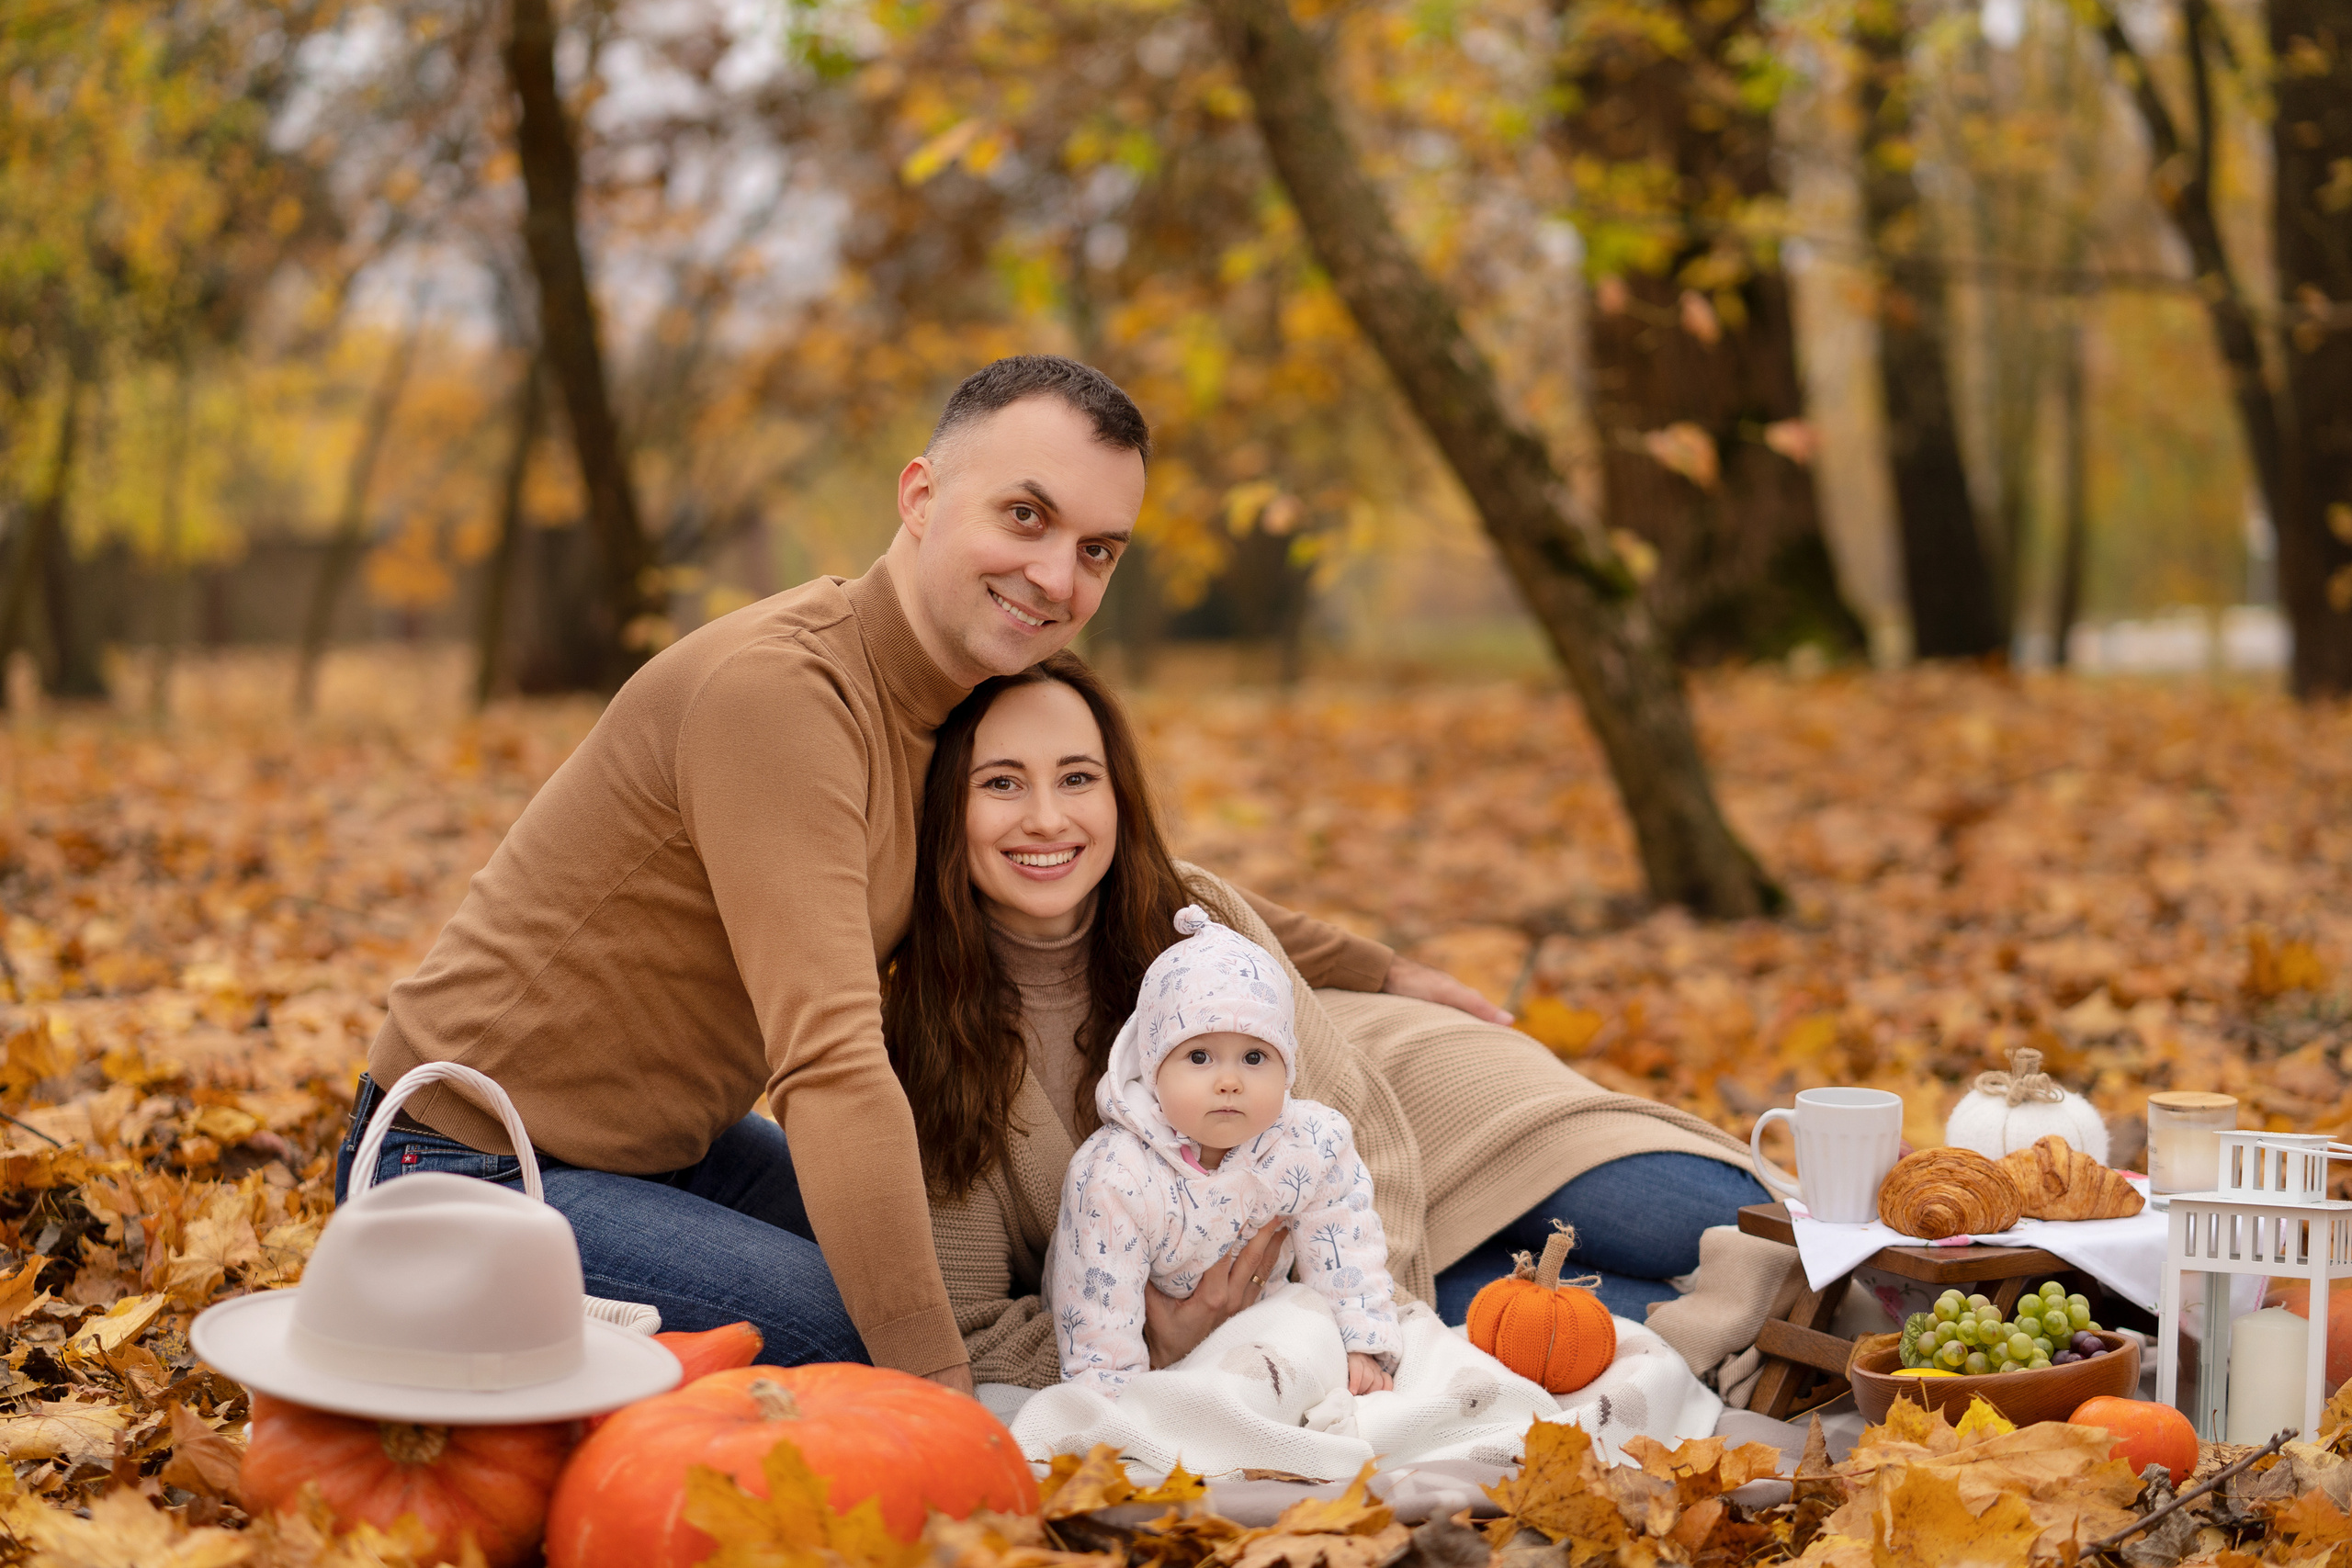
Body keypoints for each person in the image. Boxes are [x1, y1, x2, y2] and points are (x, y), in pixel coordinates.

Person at [334, 355, 1500, 1392]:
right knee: (883, 1330)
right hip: (460, 1171)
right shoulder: (783, 698)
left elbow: (1130, 870)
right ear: (920, 495)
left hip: (664, 1150)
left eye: (1096, 550)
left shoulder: (954, 699)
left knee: (1000, 1273)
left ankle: (1144, 1348)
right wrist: (945, 1405)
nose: (1056, 578)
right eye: (1027, 517)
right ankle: (1100, 1369)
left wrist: (1380, 967)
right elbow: (834, 1066)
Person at [894, 653, 1772, 1389]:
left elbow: (1359, 1126)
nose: (1047, 817)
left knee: (1730, 1220)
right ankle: (1832, 1337)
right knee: (1624, 1317)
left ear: (1118, 793)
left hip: (1413, 1126)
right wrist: (1170, 1338)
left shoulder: (1190, 912)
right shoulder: (930, 1029)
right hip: (1297, 1268)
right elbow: (972, 1325)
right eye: (1001, 783)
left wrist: (1376, 1326)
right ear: (947, 809)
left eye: (1078, 777)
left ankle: (1895, 1260)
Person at [1048, 907, 1402, 1398]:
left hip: (1264, 1324)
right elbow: (1097, 1304)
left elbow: (1345, 1243)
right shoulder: (1115, 1171)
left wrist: (1359, 1346)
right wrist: (1112, 1399)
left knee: (1306, 1343)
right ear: (1153, 1068)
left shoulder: (1311, 1142)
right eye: (1199, 1057)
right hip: (1153, 1349)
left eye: (1255, 1057)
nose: (1230, 1082)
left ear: (1287, 1067)